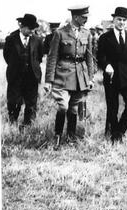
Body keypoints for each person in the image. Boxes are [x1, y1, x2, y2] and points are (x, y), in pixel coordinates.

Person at [44, 6, 93, 149]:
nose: (86, 19)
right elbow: (52, 57)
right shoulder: (60, 33)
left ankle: (71, 137)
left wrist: (90, 78)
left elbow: (89, 58)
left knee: (74, 108)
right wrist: (48, 81)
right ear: (76, 17)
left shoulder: (87, 33)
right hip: (63, 75)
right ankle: (57, 136)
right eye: (84, 16)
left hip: (80, 76)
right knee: (63, 106)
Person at [97, 6, 127, 143]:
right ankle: (111, 136)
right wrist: (106, 65)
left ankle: (119, 131)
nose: (122, 22)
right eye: (119, 19)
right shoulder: (104, 37)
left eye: (124, 20)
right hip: (112, 77)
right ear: (113, 20)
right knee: (112, 108)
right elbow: (100, 56)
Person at [4, 13, 43, 127]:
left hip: (32, 77)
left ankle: (28, 125)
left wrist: (33, 68)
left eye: (33, 29)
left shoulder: (37, 40)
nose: (32, 31)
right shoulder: (11, 39)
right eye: (30, 29)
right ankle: (13, 122)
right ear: (23, 27)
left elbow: (39, 57)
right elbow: (7, 56)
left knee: (31, 103)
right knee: (14, 102)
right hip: (15, 76)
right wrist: (15, 67)